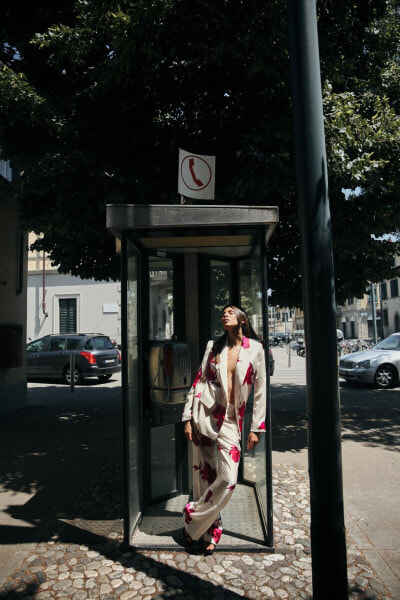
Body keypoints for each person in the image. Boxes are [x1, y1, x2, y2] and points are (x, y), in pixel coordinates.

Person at [181, 305, 267, 554]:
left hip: (231, 421)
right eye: (223, 312)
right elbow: (198, 380)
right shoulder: (213, 346)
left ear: (242, 319)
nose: (225, 314)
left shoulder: (255, 350)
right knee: (204, 477)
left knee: (228, 479)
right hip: (205, 416)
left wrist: (256, 428)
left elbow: (260, 392)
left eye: (231, 311)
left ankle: (192, 518)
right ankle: (211, 529)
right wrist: (187, 418)